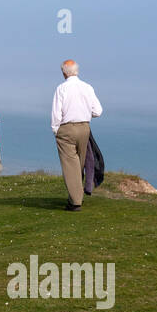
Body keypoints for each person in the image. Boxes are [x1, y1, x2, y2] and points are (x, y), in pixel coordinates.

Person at [50, 60, 102, 211]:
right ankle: (77, 195)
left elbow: (56, 113)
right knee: (79, 163)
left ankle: (75, 202)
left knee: (70, 165)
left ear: (64, 72)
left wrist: (56, 130)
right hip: (84, 128)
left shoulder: (62, 88)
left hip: (66, 128)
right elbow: (98, 111)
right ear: (77, 71)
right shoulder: (87, 87)